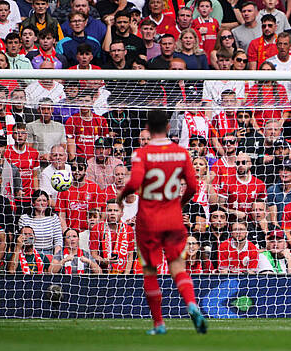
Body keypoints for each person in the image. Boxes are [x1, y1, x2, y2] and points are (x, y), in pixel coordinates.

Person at [115, 110, 208, 335]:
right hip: (173, 217)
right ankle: (192, 305)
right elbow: (194, 187)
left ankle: (159, 324)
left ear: (148, 127)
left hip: (148, 220)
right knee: (177, 266)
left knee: (150, 270)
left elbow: (135, 181)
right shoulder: (181, 153)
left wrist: (120, 197)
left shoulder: (141, 153)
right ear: (168, 127)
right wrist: (181, 204)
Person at [56, 156, 104, 231]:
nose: (77, 171)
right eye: (74, 169)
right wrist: (66, 233)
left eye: (80, 168)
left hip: (89, 231)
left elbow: (97, 214)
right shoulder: (64, 189)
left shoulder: (94, 188)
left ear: (85, 170)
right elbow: (62, 216)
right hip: (71, 231)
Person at [89, 199, 134, 274]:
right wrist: (105, 261)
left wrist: (126, 276)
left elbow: (130, 256)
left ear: (122, 213)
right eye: (110, 210)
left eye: (116, 211)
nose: (112, 213)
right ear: (106, 213)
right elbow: (94, 255)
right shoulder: (96, 229)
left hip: (122, 274)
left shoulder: (128, 230)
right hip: (102, 273)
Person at [18, 189, 63, 257]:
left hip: (49, 253)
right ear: (33, 203)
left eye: (44, 201)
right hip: (30, 253)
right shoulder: (24, 218)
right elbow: (22, 240)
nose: (42, 203)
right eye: (39, 200)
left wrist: (55, 258)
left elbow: (58, 241)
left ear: (47, 203)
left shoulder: (54, 218)